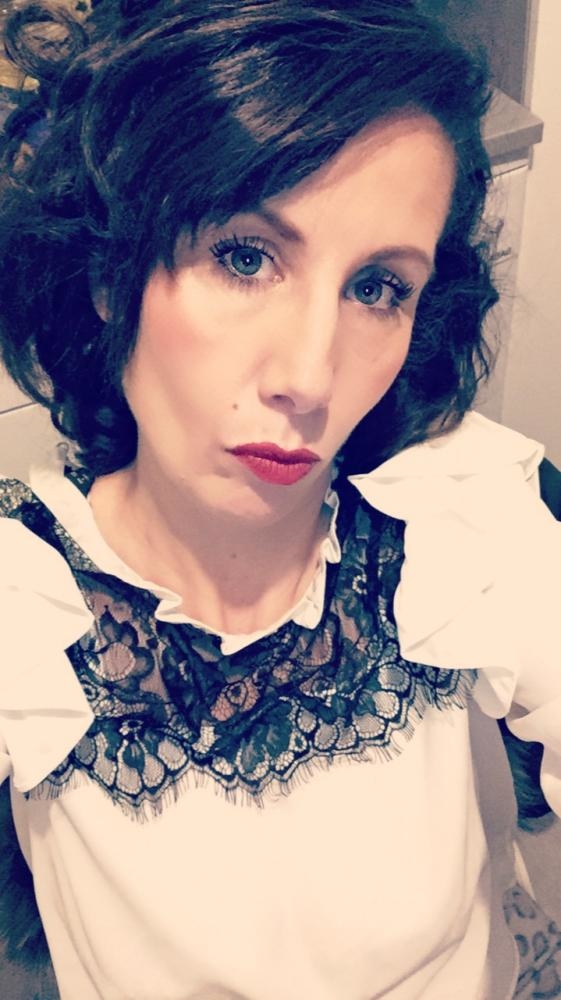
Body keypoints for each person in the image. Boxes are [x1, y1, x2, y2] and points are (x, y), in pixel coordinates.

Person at [0, 1, 560, 998]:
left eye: (378, 287)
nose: (309, 376)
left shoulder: (468, 529)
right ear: (110, 273)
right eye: (244, 256)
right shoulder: (22, 610)